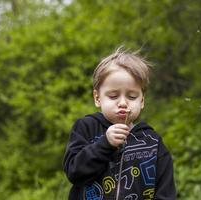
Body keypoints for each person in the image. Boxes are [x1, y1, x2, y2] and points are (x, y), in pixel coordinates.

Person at [63, 47, 176, 200]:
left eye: (131, 96)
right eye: (113, 96)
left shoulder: (152, 141)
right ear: (97, 98)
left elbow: (166, 192)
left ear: (142, 100)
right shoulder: (86, 127)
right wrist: (105, 144)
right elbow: (74, 172)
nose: (123, 103)